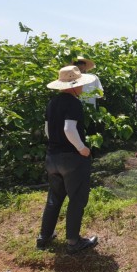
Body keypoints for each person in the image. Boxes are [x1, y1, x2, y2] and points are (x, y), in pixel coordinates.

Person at [37, 65, 98, 254]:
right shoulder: (74, 103)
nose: (82, 88)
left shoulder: (52, 103)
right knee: (77, 199)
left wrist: (56, 145)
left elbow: (48, 130)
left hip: (52, 157)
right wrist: (82, 149)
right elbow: (69, 129)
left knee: (54, 198)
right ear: (73, 86)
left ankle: (44, 237)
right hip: (71, 159)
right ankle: (73, 241)